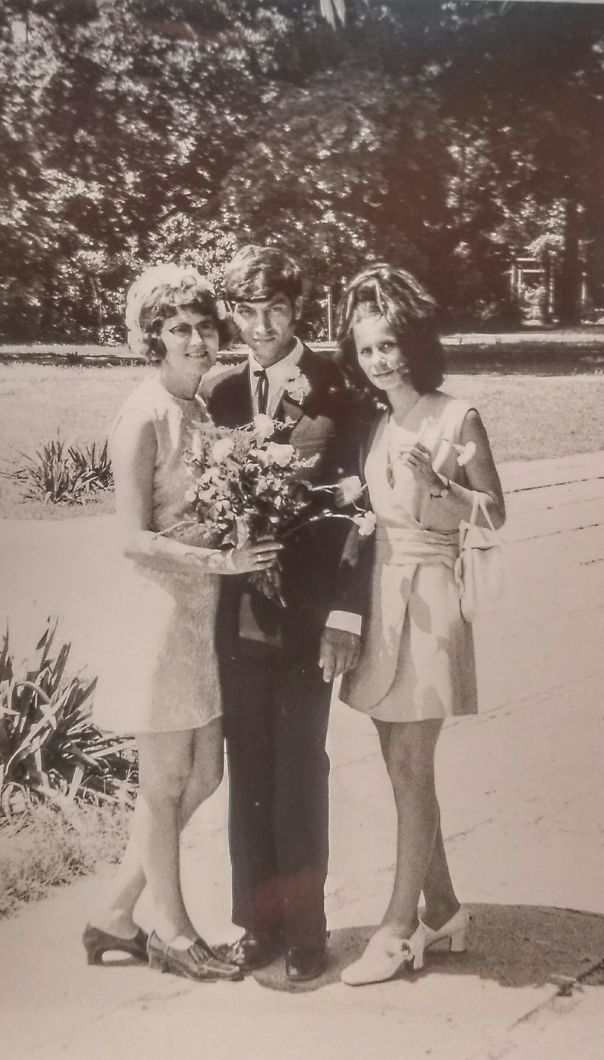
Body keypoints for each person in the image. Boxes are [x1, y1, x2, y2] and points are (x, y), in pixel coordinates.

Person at [82, 264, 281, 982]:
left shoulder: (198, 410)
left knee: (202, 778)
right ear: (152, 339)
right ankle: (170, 930)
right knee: (165, 783)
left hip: (202, 616)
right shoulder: (142, 415)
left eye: (203, 326)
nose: (196, 340)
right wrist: (218, 565)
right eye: (178, 329)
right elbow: (131, 536)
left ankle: (114, 912)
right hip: (160, 613)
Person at [204, 245, 372, 982]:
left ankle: (307, 931)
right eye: (247, 309)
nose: (262, 323)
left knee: (299, 764)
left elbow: (366, 508)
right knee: (250, 767)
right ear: (232, 314)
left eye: (274, 307)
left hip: (310, 615)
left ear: (297, 307)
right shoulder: (217, 392)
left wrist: (346, 613)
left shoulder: (340, 385)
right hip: (237, 611)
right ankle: (257, 925)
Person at [335, 262, 505, 986]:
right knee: (401, 764)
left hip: (431, 597)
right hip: (381, 598)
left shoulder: (455, 414)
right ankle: (445, 906)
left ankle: (399, 930)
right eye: (368, 348)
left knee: (410, 764)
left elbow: (494, 514)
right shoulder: (376, 420)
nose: (380, 359)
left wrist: (442, 488)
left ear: (415, 342)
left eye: (391, 344)